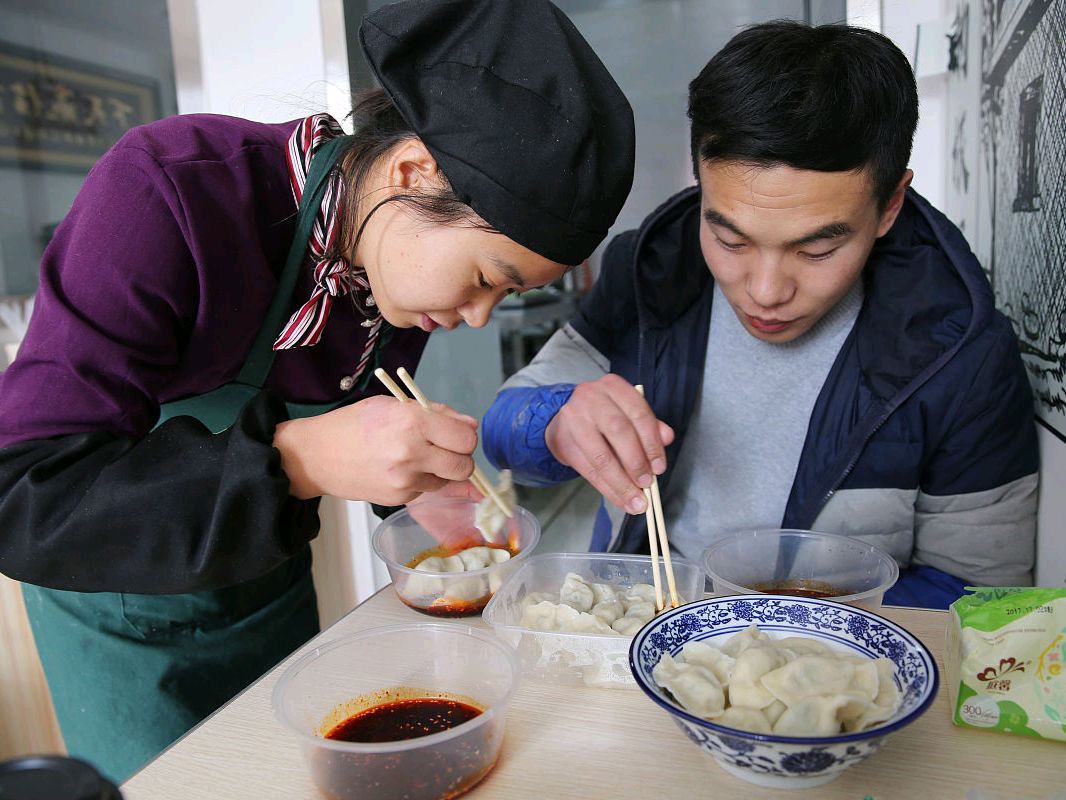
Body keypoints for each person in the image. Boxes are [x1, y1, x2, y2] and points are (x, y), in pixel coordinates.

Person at [0, 0, 634, 781]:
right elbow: (23, 495)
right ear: (412, 173)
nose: (474, 318)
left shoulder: (390, 259)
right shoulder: (170, 192)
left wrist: (412, 498)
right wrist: (294, 457)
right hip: (119, 601)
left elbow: (357, 405)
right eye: (482, 280)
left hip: (267, 587)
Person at [482, 21, 1039, 610]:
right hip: (642, 631)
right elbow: (500, 434)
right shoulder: (652, 271)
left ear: (890, 205)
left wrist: (780, 644)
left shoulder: (960, 350)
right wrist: (554, 421)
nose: (767, 291)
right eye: (730, 240)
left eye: (817, 250)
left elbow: (981, 598)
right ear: (699, 186)